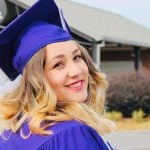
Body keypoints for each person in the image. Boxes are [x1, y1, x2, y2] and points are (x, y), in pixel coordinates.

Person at [0, 0, 116, 149]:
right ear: (35, 80)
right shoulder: (71, 133)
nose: (76, 71)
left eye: (77, 57)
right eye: (58, 65)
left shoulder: (12, 134)